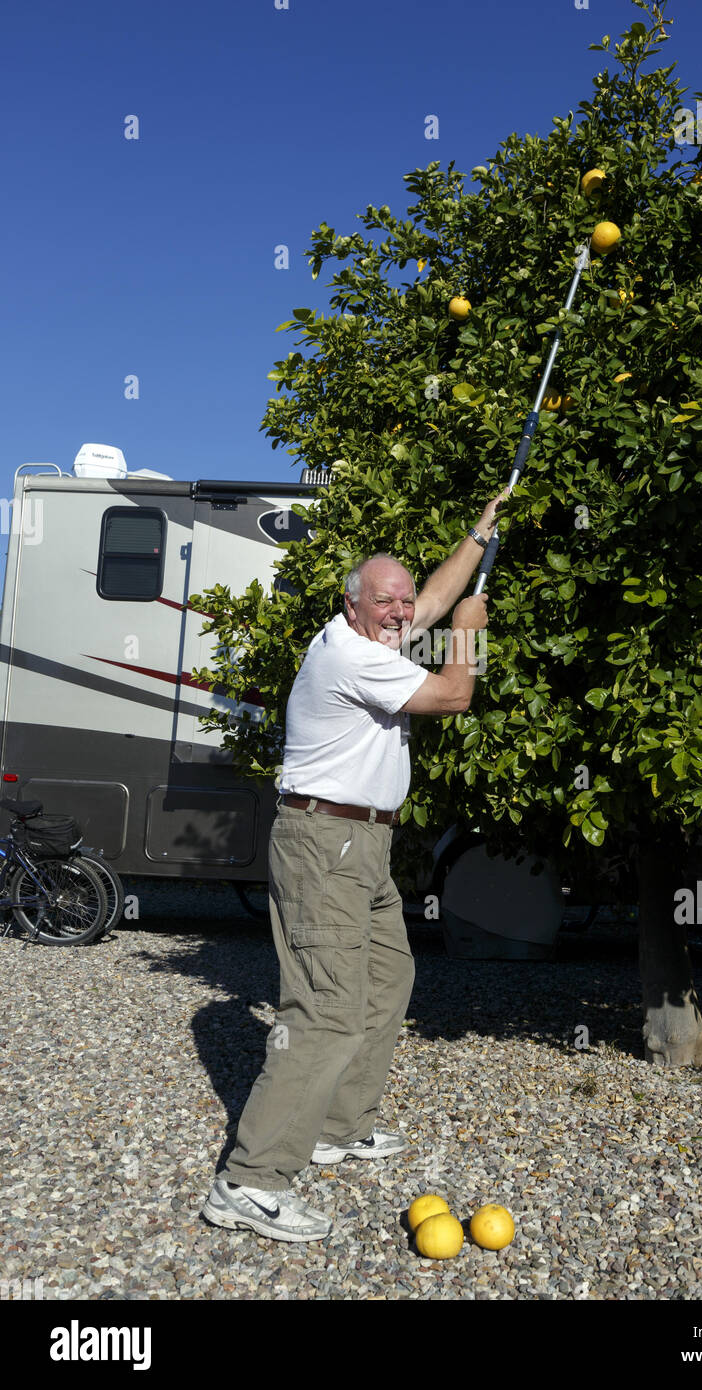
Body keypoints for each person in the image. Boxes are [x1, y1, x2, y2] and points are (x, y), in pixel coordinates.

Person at [202, 490, 507, 1241]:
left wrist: (476, 532)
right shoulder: (353, 656)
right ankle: (250, 1181)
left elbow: (433, 598)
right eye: (385, 600)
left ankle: (336, 1127)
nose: (402, 611)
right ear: (352, 604)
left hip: (362, 846)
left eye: (403, 599)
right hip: (324, 845)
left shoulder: (376, 632)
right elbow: (455, 692)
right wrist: (469, 636)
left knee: (389, 977)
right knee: (327, 1011)